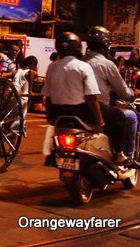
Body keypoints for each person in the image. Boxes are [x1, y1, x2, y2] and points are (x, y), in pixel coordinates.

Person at [42, 32, 129, 165]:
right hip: (82, 113)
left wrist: (50, 118)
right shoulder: (83, 66)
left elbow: (47, 98)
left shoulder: (52, 67)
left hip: (58, 114)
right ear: (78, 47)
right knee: (119, 116)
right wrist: (100, 122)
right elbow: (91, 99)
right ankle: (119, 154)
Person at [83, 26, 139, 167]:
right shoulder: (107, 64)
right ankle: (123, 154)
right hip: (98, 108)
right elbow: (123, 92)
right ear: (106, 45)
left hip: (77, 109)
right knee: (130, 117)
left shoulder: (79, 62)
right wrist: (132, 93)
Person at [1, 55, 39, 134]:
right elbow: (32, 73)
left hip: (11, 96)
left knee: (9, 117)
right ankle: (13, 131)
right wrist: (30, 90)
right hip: (21, 99)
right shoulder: (30, 72)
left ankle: (6, 129)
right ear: (32, 64)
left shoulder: (16, 71)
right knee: (18, 120)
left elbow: (3, 75)